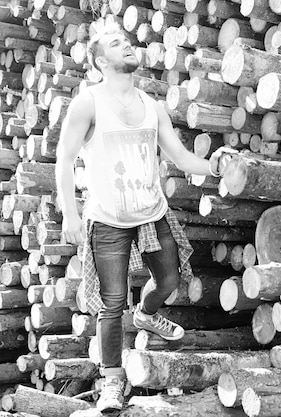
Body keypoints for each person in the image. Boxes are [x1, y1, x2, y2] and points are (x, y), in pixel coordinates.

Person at [55, 20, 214, 411]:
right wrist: (71, 215)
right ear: (99, 62)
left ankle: (146, 314)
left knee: (170, 279)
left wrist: (215, 168)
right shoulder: (88, 103)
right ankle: (111, 381)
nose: (127, 45)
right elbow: (64, 158)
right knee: (111, 304)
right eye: (115, 43)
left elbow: (179, 156)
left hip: (151, 213)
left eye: (127, 40)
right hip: (107, 219)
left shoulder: (152, 106)